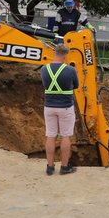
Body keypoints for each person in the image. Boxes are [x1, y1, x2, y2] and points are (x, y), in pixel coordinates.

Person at [41, 43, 79, 176]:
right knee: (65, 136)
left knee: (50, 135)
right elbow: (76, 85)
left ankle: (50, 167)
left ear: (54, 53)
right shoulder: (70, 70)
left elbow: (45, 84)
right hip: (66, 108)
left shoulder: (44, 69)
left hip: (49, 107)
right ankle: (64, 167)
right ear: (65, 56)